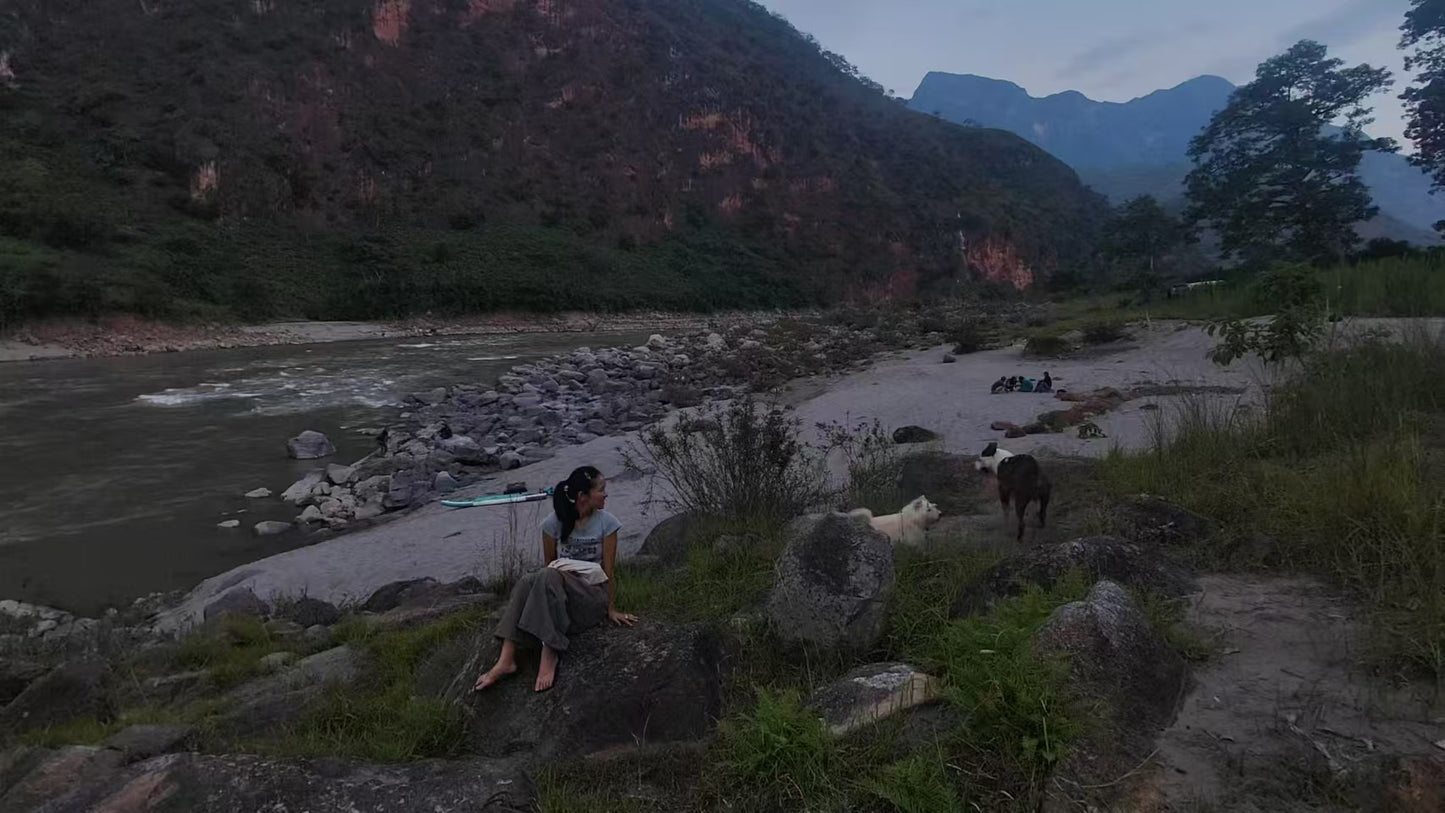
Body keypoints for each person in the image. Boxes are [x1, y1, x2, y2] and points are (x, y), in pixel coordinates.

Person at [472, 466, 637, 693]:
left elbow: (609, 572)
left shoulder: (608, 523)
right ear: (582, 497)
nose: (606, 494)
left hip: (590, 598)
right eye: (601, 490)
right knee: (528, 580)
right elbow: (547, 566)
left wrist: (610, 609)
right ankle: (506, 660)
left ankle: (549, 649)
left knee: (547, 574)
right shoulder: (552, 524)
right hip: (561, 599)